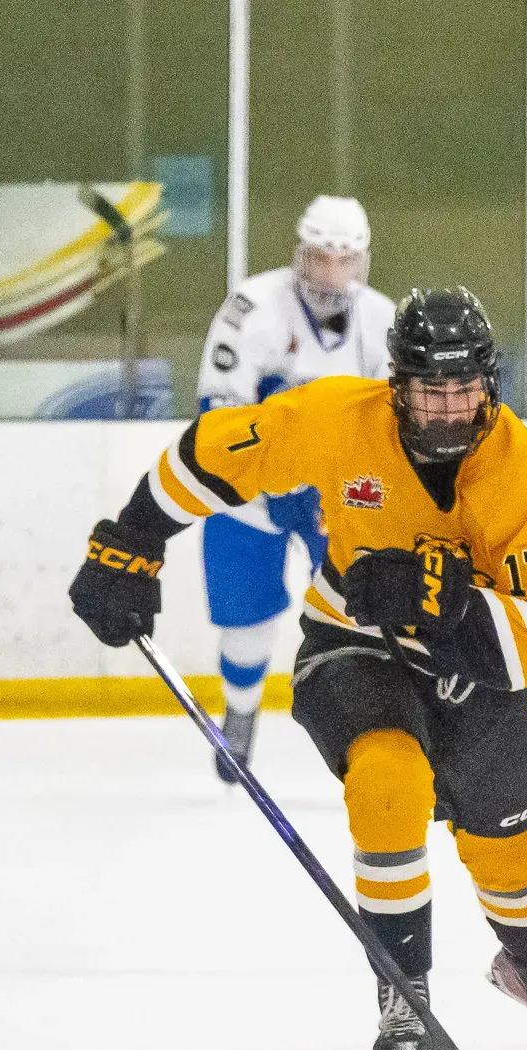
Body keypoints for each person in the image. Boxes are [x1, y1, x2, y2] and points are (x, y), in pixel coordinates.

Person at [67, 287, 527, 1050]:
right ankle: (404, 984)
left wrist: (444, 606)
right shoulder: (339, 419)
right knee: (387, 779)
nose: (449, 410)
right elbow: (217, 451)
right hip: (352, 641)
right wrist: (135, 536)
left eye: (464, 390)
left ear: (489, 385)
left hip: (471, 664)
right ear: (397, 385)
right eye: (430, 391)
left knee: (509, 838)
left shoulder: (524, 475)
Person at [194, 195, 396, 781]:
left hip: (339, 496)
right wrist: (265, 482)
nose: (332, 275)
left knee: (352, 617)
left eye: (345, 260)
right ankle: (240, 713)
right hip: (249, 492)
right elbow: (218, 413)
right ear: (300, 254)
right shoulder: (251, 308)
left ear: (362, 260)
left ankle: (363, 731)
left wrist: (344, 491)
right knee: (245, 619)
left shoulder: (382, 320)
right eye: (321, 258)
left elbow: (390, 428)